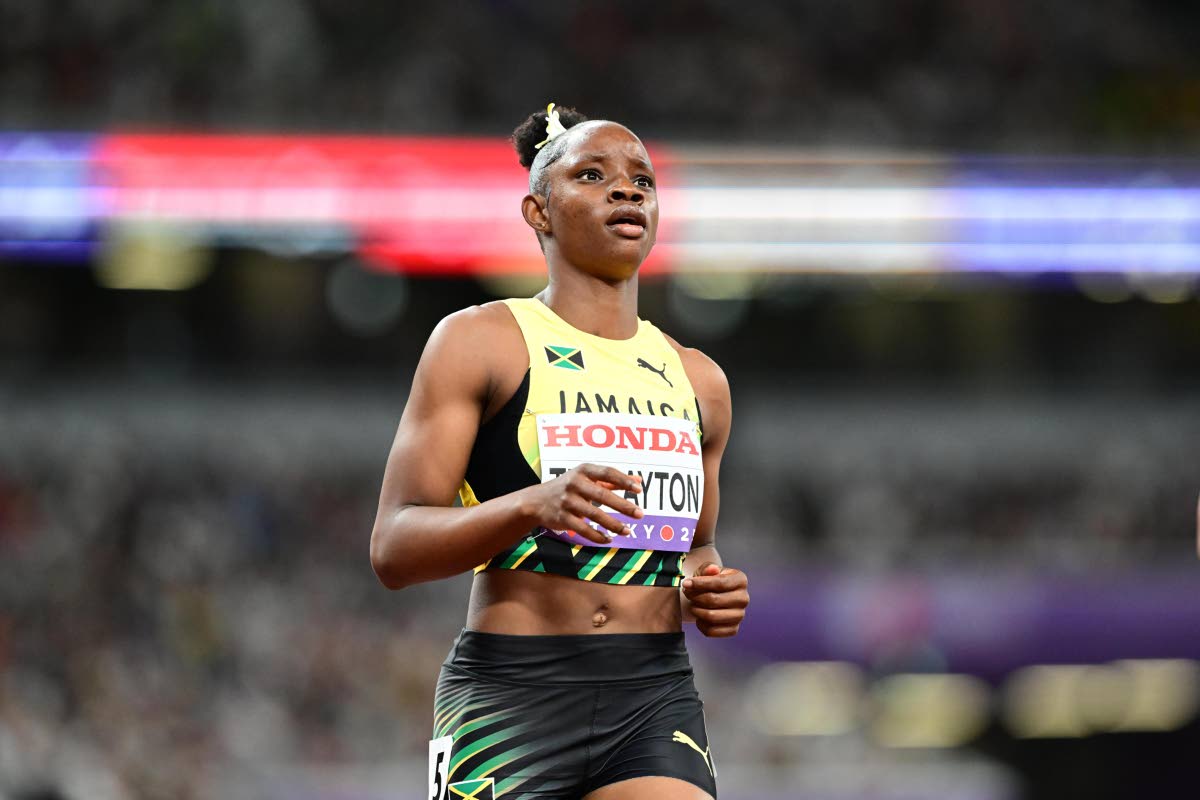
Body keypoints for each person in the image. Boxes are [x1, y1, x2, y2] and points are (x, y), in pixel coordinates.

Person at [370, 103, 749, 800]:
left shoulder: (700, 380)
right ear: (538, 212)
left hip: (652, 690)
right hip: (514, 690)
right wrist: (532, 505)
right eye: (593, 175)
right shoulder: (481, 341)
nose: (627, 190)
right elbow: (393, 548)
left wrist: (710, 588)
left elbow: (698, 548)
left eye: (642, 180)